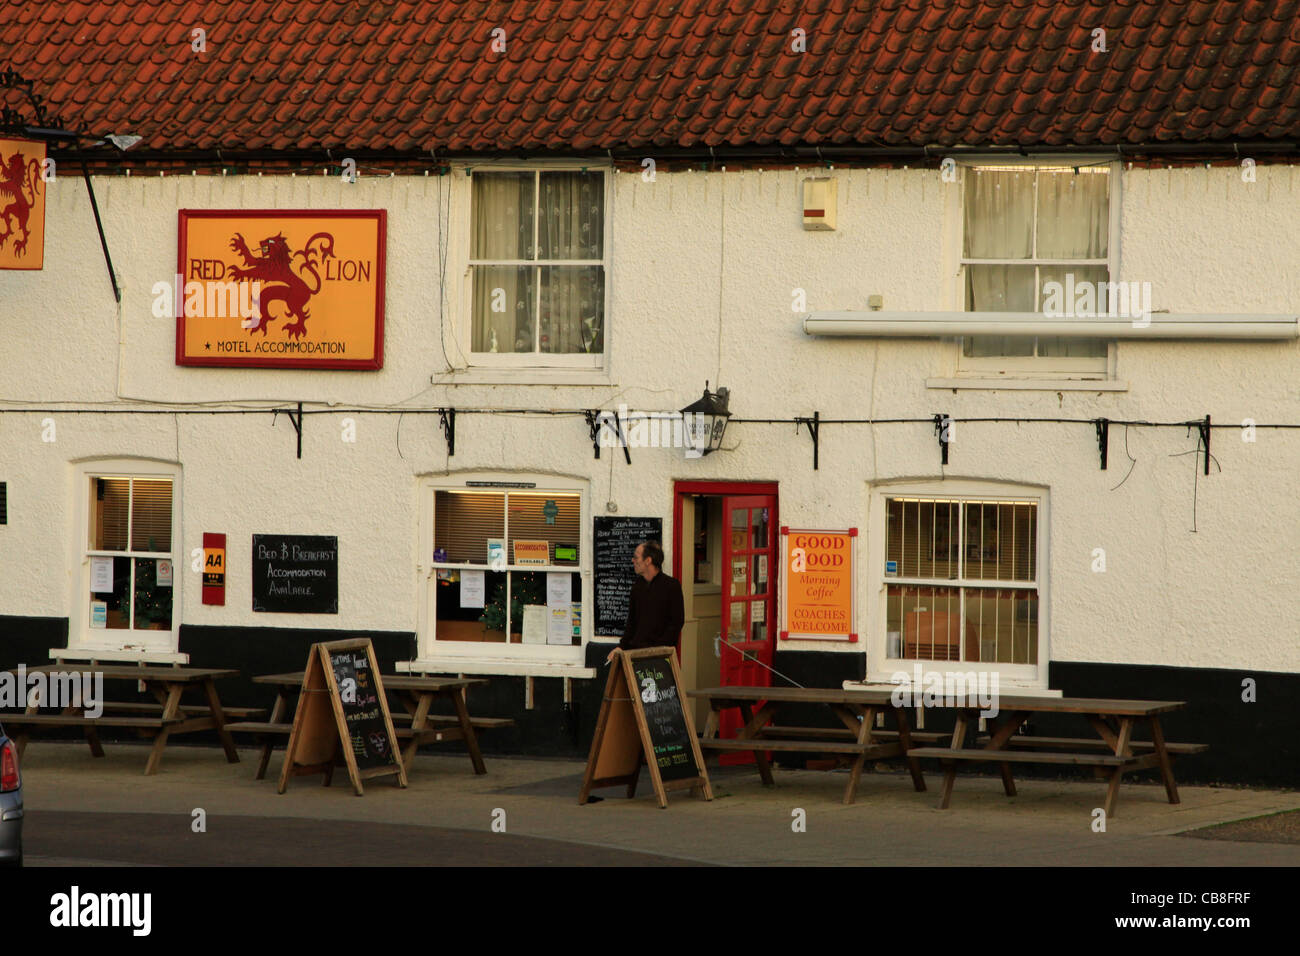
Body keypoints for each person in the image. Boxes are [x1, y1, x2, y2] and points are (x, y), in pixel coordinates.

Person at [606, 540, 684, 663]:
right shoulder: (637, 586)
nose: (633, 560)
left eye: (636, 557)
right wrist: (621, 647)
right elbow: (631, 622)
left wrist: (658, 651)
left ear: (648, 561)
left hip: (661, 656)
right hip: (636, 654)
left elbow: (676, 623)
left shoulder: (671, 586)